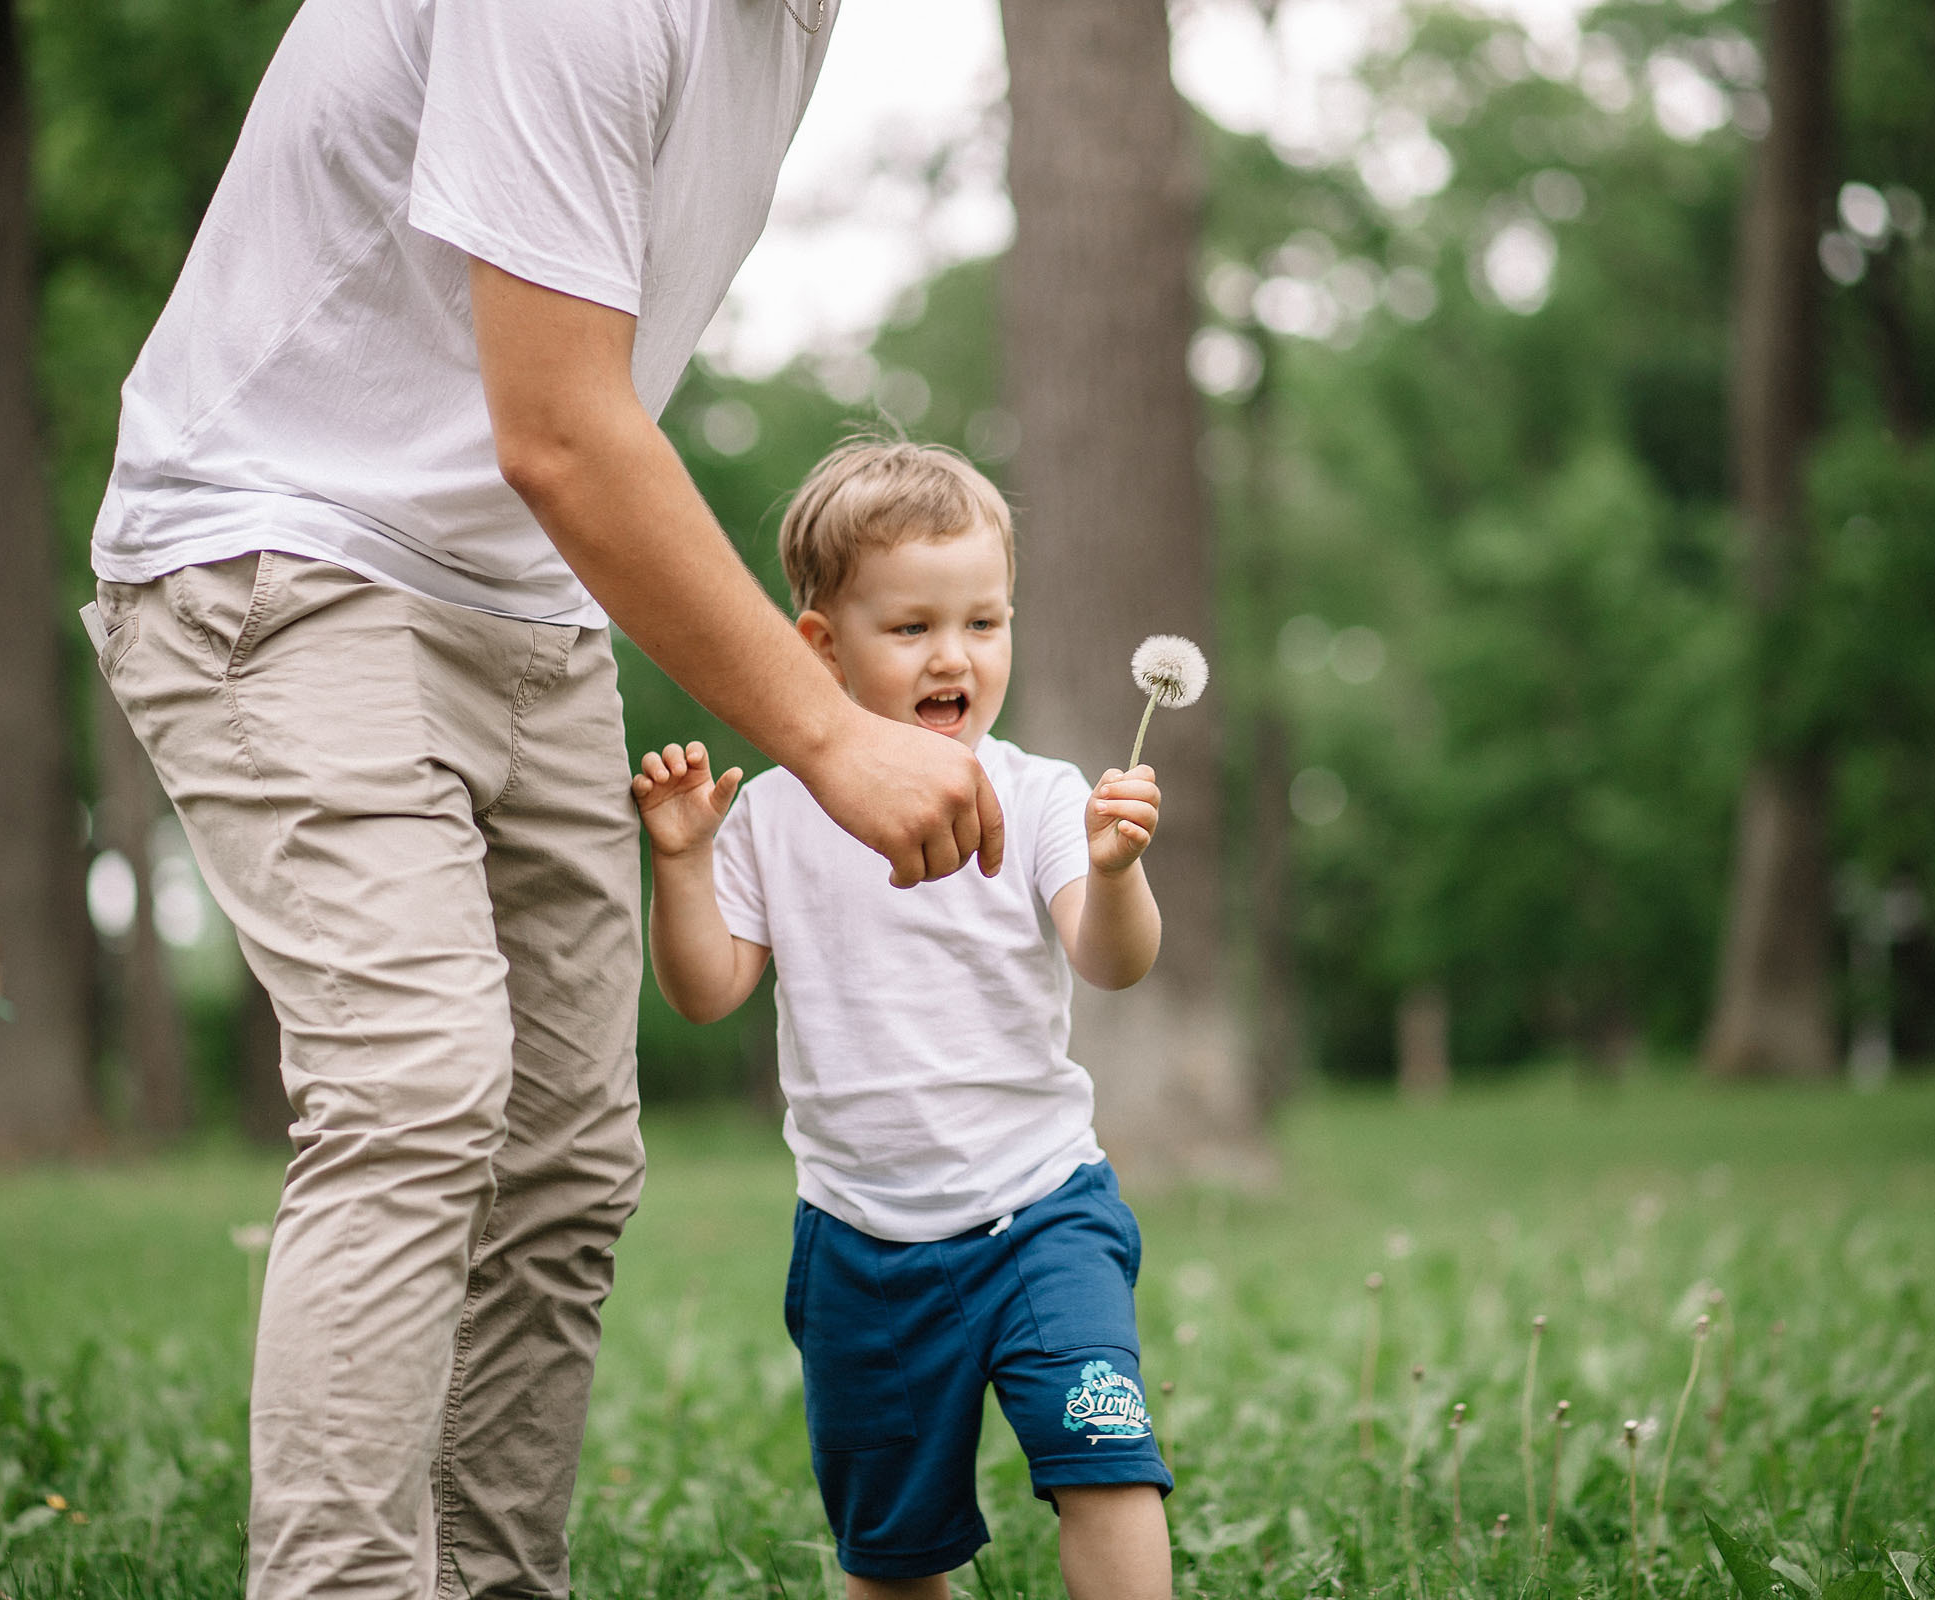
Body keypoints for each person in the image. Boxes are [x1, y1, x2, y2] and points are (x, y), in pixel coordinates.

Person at [83, 4, 1004, 1596]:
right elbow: (563, 429)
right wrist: (832, 739)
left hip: (528, 604)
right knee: (420, 1090)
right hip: (286, 551)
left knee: (565, 1160)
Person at [631, 440, 1175, 1600]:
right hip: (861, 1242)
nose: (955, 655)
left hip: (1042, 1210)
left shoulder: (1040, 797)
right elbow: (704, 989)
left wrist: (1115, 871)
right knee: (892, 1547)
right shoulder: (773, 817)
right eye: (914, 626)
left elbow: (1111, 963)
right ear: (819, 648)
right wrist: (681, 864)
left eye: (984, 622)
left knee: (1109, 1464)